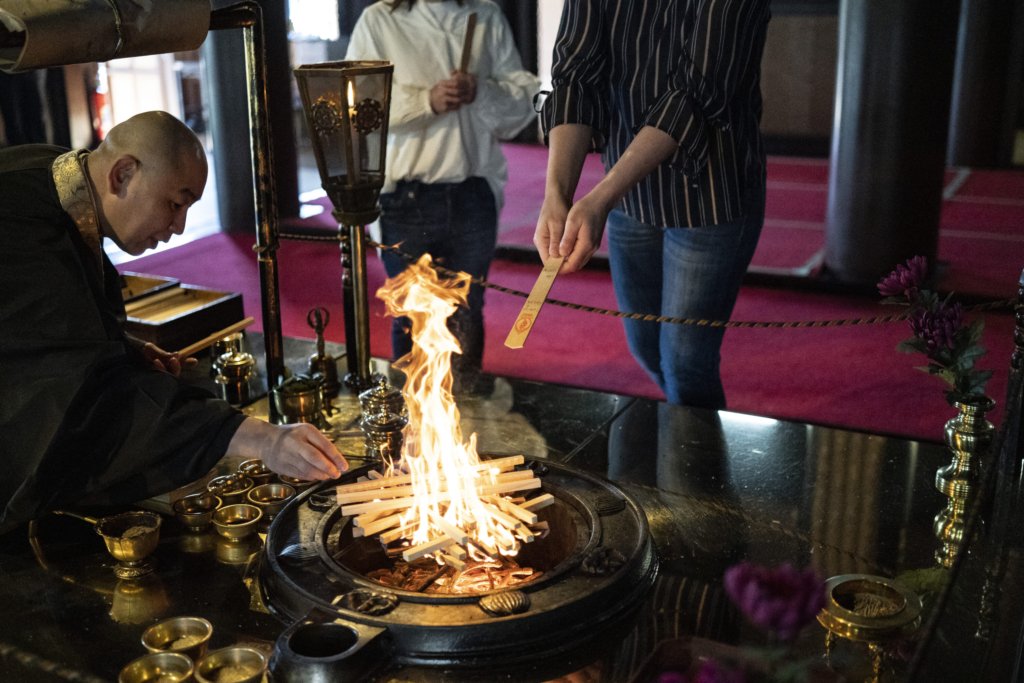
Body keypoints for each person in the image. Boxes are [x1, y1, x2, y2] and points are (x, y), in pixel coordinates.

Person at [0, 111, 348, 533]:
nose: (180, 227)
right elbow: (83, 401)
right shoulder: (22, 229)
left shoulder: (55, 177)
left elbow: (44, 327)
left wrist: (123, 344)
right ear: (123, 174)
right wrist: (260, 438)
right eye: (175, 203)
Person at [535, 0, 771, 411]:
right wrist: (556, 195)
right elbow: (575, 78)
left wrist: (601, 197)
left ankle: (694, 467)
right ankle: (679, 438)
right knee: (644, 344)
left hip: (711, 194)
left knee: (685, 362)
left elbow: (695, 96)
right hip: (629, 191)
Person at [345, 0, 540, 394]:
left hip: (473, 193)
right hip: (408, 196)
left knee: (467, 315)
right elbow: (357, 105)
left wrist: (480, 91)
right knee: (413, 317)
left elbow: (521, 104)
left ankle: (463, 428)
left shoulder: (484, 15)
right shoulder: (381, 19)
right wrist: (425, 101)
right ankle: (411, 428)